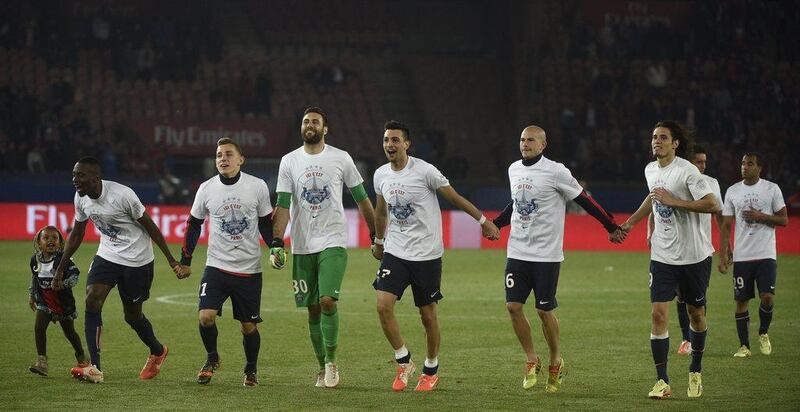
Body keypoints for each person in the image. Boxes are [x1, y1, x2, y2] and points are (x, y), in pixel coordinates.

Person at [491, 125, 625, 393]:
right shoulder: (513, 169)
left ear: (543, 144)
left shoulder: (556, 171)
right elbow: (517, 203)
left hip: (546, 255)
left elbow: (584, 199)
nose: (525, 144)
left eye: (531, 140)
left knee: (543, 310)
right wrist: (497, 224)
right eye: (522, 139)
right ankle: (531, 359)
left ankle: (555, 360)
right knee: (513, 306)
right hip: (517, 251)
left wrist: (610, 225)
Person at [371, 120, 500, 392]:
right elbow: (381, 211)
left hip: (427, 255)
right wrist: (379, 241)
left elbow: (454, 197)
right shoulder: (381, 174)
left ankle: (431, 367)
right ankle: (403, 361)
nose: (389, 145)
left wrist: (483, 221)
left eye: (395, 140)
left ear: (407, 144)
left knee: (427, 316)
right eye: (386, 140)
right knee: (383, 305)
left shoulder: (425, 171)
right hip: (396, 251)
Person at [269, 106, 377, 388]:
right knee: (313, 308)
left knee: (328, 300)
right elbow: (282, 204)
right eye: (305, 121)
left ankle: (331, 363)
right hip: (303, 245)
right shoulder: (289, 161)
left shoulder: (340, 158)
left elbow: (362, 198)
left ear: (325, 129)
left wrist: (377, 234)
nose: (310, 125)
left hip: (333, 240)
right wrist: (277, 241)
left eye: (315, 121)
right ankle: (320, 366)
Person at [54, 156, 186, 383]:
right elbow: (77, 234)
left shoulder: (123, 195)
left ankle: (157, 350)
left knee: (132, 316)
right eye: (74, 175)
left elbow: (151, 228)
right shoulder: (81, 197)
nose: (75, 180)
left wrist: (172, 260)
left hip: (138, 260)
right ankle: (94, 366)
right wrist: (60, 269)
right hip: (108, 255)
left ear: (96, 177)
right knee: (92, 299)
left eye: (81, 175)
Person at [619, 121, 721, 399]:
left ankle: (695, 371)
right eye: (654, 137)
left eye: (663, 137)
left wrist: (676, 201)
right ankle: (662, 381)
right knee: (658, 314)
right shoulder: (650, 169)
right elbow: (653, 198)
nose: (657, 141)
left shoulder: (687, 171)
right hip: (662, 256)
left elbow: (712, 204)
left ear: (675, 143)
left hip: (694, 257)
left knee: (696, 314)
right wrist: (630, 223)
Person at [176, 137, 274, 386]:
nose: (223, 159)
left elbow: (265, 222)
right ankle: (212, 358)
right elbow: (193, 224)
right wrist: (185, 259)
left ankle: (251, 369)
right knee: (205, 317)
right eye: (219, 155)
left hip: (249, 269)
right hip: (216, 266)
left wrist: (275, 246)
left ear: (241, 160)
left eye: (229, 154)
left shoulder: (257, 186)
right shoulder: (206, 188)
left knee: (248, 326)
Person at [646, 144, 724, 356]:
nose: (702, 166)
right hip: (668, 252)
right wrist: (646, 228)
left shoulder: (711, 184)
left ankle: (695, 348)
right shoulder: (664, 173)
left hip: (699, 251)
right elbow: (655, 203)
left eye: (704, 162)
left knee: (696, 309)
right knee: (669, 306)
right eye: (698, 161)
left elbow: (718, 211)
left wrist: (725, 248)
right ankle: (685, 340)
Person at [718, 153, 788, 358]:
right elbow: (726, 225)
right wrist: (723, 255)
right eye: (742, 163)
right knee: (741, 302)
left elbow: (784, 220)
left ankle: (763, 332)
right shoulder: (732, 191)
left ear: (760, 168)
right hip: (742, 257)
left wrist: (762, 216)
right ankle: (744, 346)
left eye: (750, 164)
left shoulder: (771, 189)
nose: (745, 167)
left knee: (766, 297)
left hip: (766, 254)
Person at [28, 225, 90, 377]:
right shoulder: (34, 260)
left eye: (54, 238)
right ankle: (42, 362)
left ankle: (82, 357)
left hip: (63, 304)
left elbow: (75, 276)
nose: (50, 241)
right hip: (45, 302)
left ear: (61, 242)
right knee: (39, 327)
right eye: (46, 238)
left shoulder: (63, 259)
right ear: (38, 241)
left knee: (69, 332)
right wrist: (32, 295)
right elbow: (35, 278)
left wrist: (63, 284)